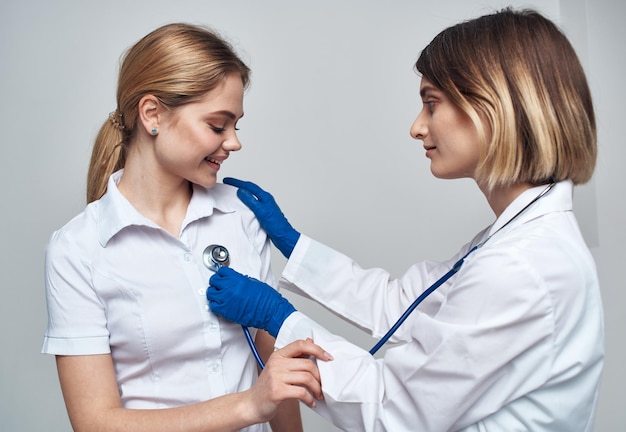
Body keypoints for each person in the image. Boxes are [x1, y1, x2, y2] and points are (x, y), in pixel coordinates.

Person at [206, 8, 605, 431]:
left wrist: (280, 318)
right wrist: (294, 244)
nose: (417, 128)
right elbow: (404, 305)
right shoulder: (515, 239)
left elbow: (393, 411)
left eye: (431, 104)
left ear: (493, 107)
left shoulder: (521, 267)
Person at [41, 23, 331, 432]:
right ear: (152, 114)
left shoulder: (243, 216)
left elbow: (276, 366)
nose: (234, 142)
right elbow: (95, 422)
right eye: (217, 126)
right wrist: (248, 405)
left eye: (236, 126)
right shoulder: (78, 249)